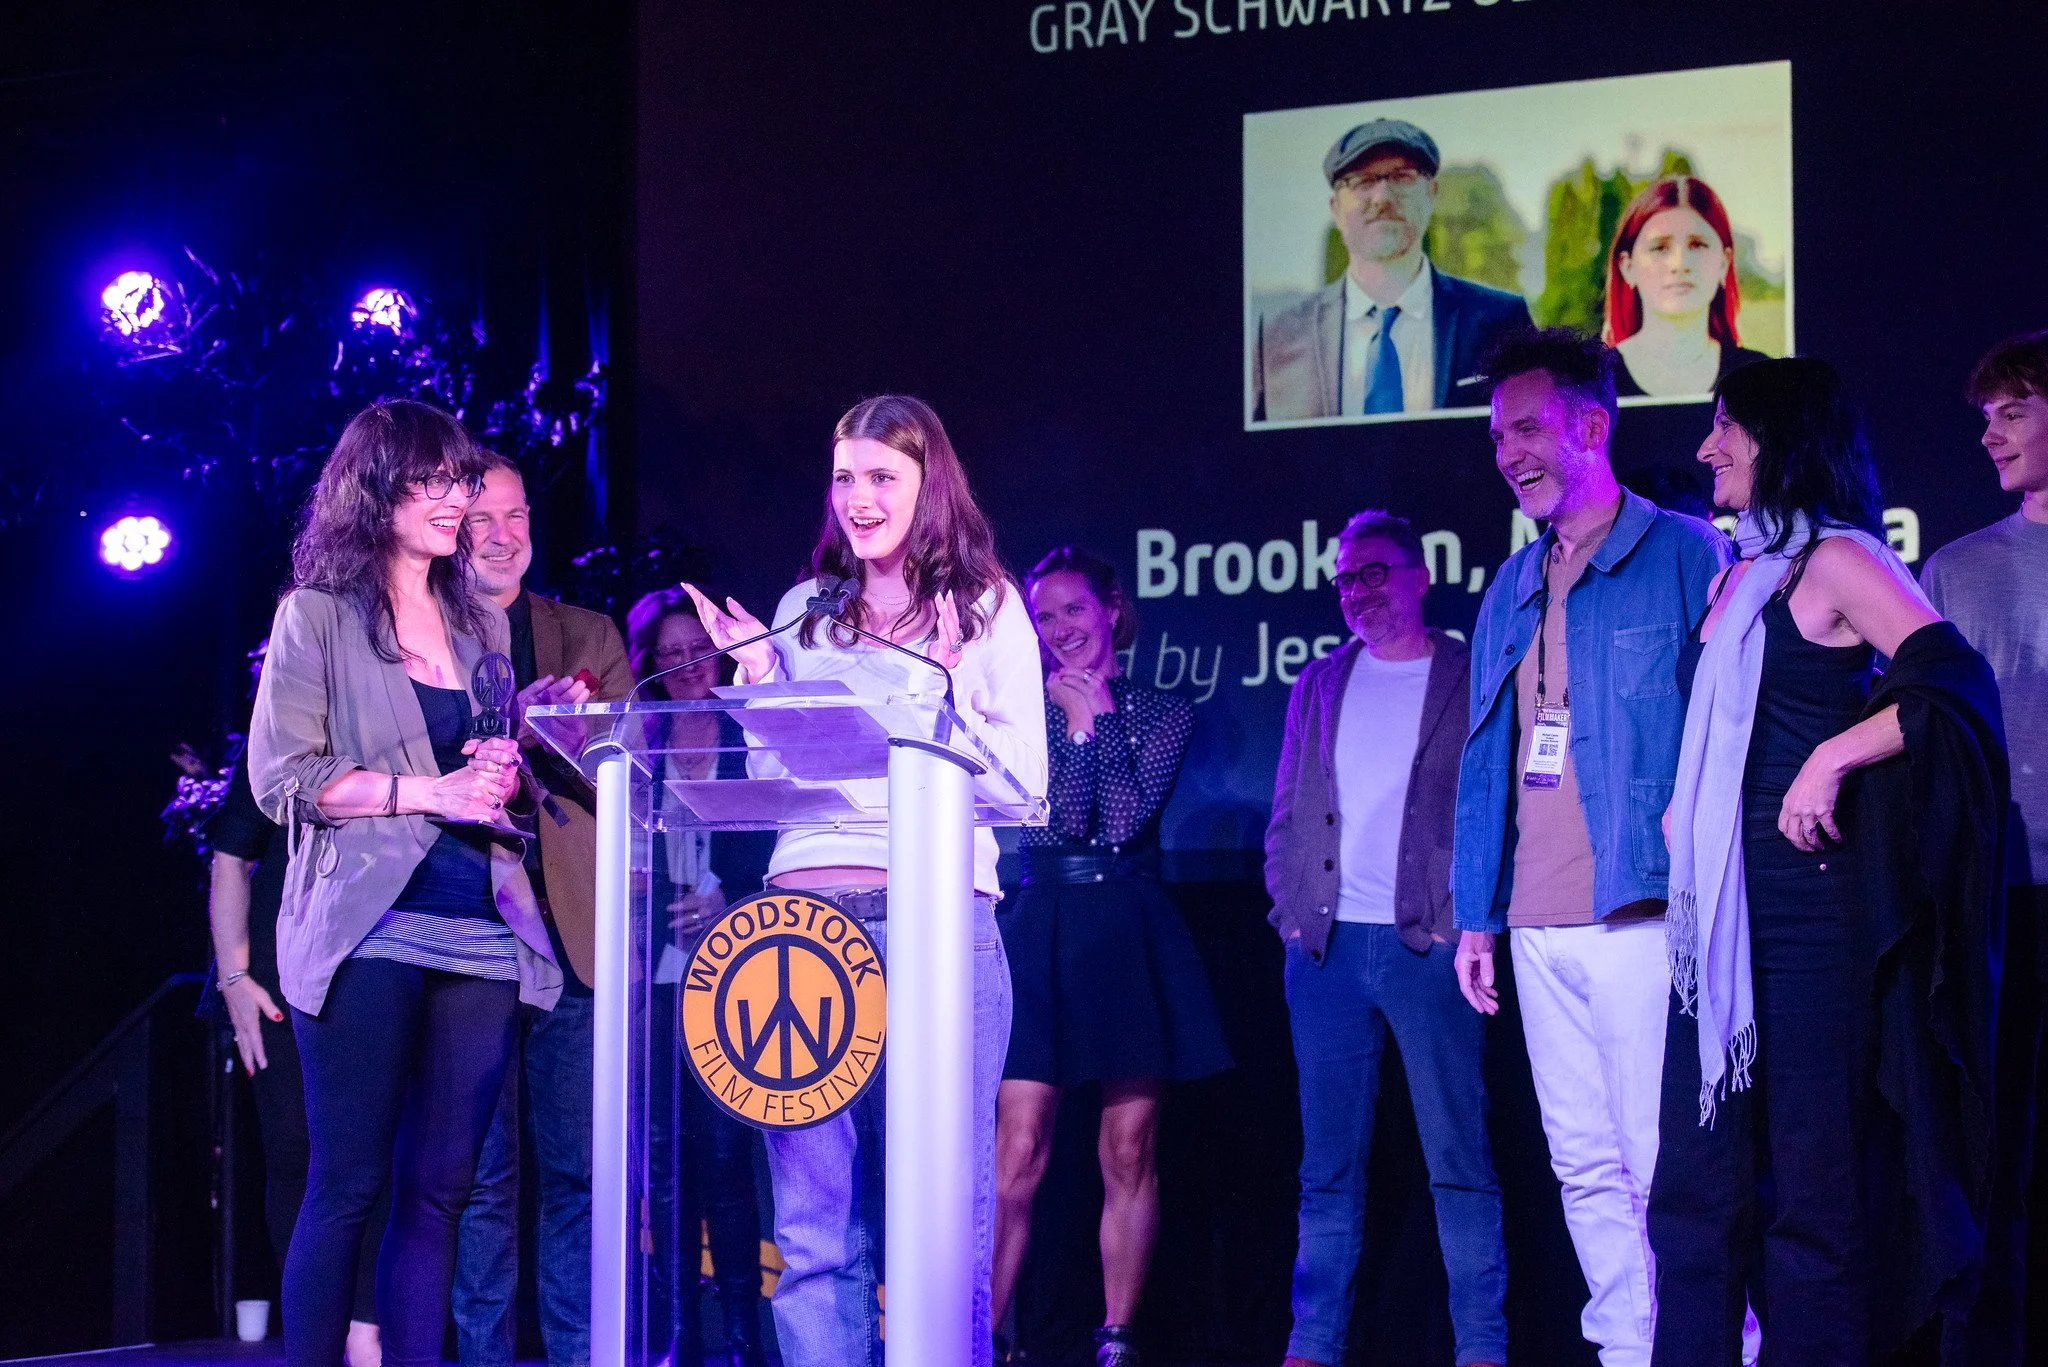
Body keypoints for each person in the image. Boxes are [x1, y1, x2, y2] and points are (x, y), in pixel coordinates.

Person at [1649, 357, 2007, 1365]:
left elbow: (1952, 685)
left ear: (1782, 437)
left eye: (1725, 426)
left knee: (1811, 1199)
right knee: (1694, 1191)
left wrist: (1833, 752)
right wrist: (1684, 805)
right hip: (1716, 927)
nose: (1703, 447)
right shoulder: (1734, 574)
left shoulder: (1841, 560)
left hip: (1813, 922)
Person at [682, 394, 1048, 1367]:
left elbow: (1024, 784)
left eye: (880, 476)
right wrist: (759, 686)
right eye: (843, 477)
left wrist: (944, 699)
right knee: (808, 1226)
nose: (857, 496)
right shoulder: (807, 610)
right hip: (798, 927)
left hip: (934, 924)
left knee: (938, 1218)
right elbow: (775, 780)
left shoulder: (986, 608)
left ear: (930, 483)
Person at [248, 399, 563, 1367]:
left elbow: (484, 774)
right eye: (434, 481)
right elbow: (282, 780)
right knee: (347, 1180)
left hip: (477, 921)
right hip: (366, 925)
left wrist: (499, 777)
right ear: (376, 487)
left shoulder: (484, 630)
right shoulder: (318, 616)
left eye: (461, 481)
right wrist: (433, 789)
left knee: (443, 1187)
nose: (455, 499)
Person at [1450, 328, 1729, 1367]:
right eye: (1495, 435)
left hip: (1641, 906)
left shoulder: (1685, 553)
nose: (1506, 450)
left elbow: (1729, 731)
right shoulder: (1508, 583)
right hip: (1533, 917)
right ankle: (1623, 1346)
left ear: (1591, 426)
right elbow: (1486, 760)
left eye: (1526, 427)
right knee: (1580, 1160)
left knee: (1663, 1160)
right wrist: (1477, 906)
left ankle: (1709, 1344)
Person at [1266, 512, 1504, 1367]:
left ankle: (1482, 1347)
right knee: (1327, 1167)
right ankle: (1312, 1344)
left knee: (1459, 1158)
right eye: (1344, 579)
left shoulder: (1469, 673)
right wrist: (1290, 913)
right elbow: (1288, 808)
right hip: (1326, 953)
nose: (1357, 591)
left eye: (1372, 573)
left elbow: (1493, 802)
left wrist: (1462, 919)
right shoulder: (1319, 683)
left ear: (1417, 574)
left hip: (1427, 948)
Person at [990, 546, 1232, 1367]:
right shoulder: (1018, 712)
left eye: (1075, 610)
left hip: (1127, 928)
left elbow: (1121, 819)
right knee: (1017, 1149)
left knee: (1128, 1149)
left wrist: (1092, 725)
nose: (1062, 630)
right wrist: (1076, 729)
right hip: (1040, 924)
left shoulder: (1164, 708)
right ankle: (979, 1336)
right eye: (1046, 615)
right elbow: (1054, 823)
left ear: (1112, 610)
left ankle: (1116, 1339)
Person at [451, 452, 625, 1367]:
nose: (505, 534)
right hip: (466, 937)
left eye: (518, 516)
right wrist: (500, 724)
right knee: (480, 1182)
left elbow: (630, 779)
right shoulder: (418, 635)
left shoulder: (588, 634)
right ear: (450, 529)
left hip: (574, 939)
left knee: (578, 1177)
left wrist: (557, 732)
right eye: (484, 518)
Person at [208, 643, 387, 1367]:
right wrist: (234, 980)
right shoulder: (271, 759)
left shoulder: (383, 749)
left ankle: (368, 1334)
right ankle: (314, 1334)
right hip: (278, 980)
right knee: (293, 1153)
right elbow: (228, 858)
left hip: (371, 967)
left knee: (370, 1154)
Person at [1924, 331, 2048, 1367]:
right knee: (1998, 1149)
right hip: (2002, 893)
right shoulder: (1956, 569)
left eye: (2011, 409)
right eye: (1983, 412)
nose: (1987, 431)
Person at [625, 587, 773, 1367]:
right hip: (650, 979)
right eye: (670, 654)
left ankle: (745, 1339)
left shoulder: (748, 737)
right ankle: (682, 1335)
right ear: (647, 663)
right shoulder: (632, 747)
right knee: (664, 1162)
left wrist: (728, 895)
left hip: (730, 976)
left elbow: (776, 839)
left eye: (698, 651)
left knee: (723, 1158)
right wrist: (636, 883)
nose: (686, 666)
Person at [1252, 118, 1533, 422]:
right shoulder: (1278, 337)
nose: (1383, 197)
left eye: (1402, 177)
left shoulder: (1503, 321)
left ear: (1432, 193)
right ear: (1335, 207)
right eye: (1362, 181)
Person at [1603, 176, 1769, 400]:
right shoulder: (1594, 379)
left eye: (1697, 244)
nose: (1679, 264)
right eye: (1660, 248)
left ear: (1724, 262)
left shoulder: (1759, 376)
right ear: (1627, 267)